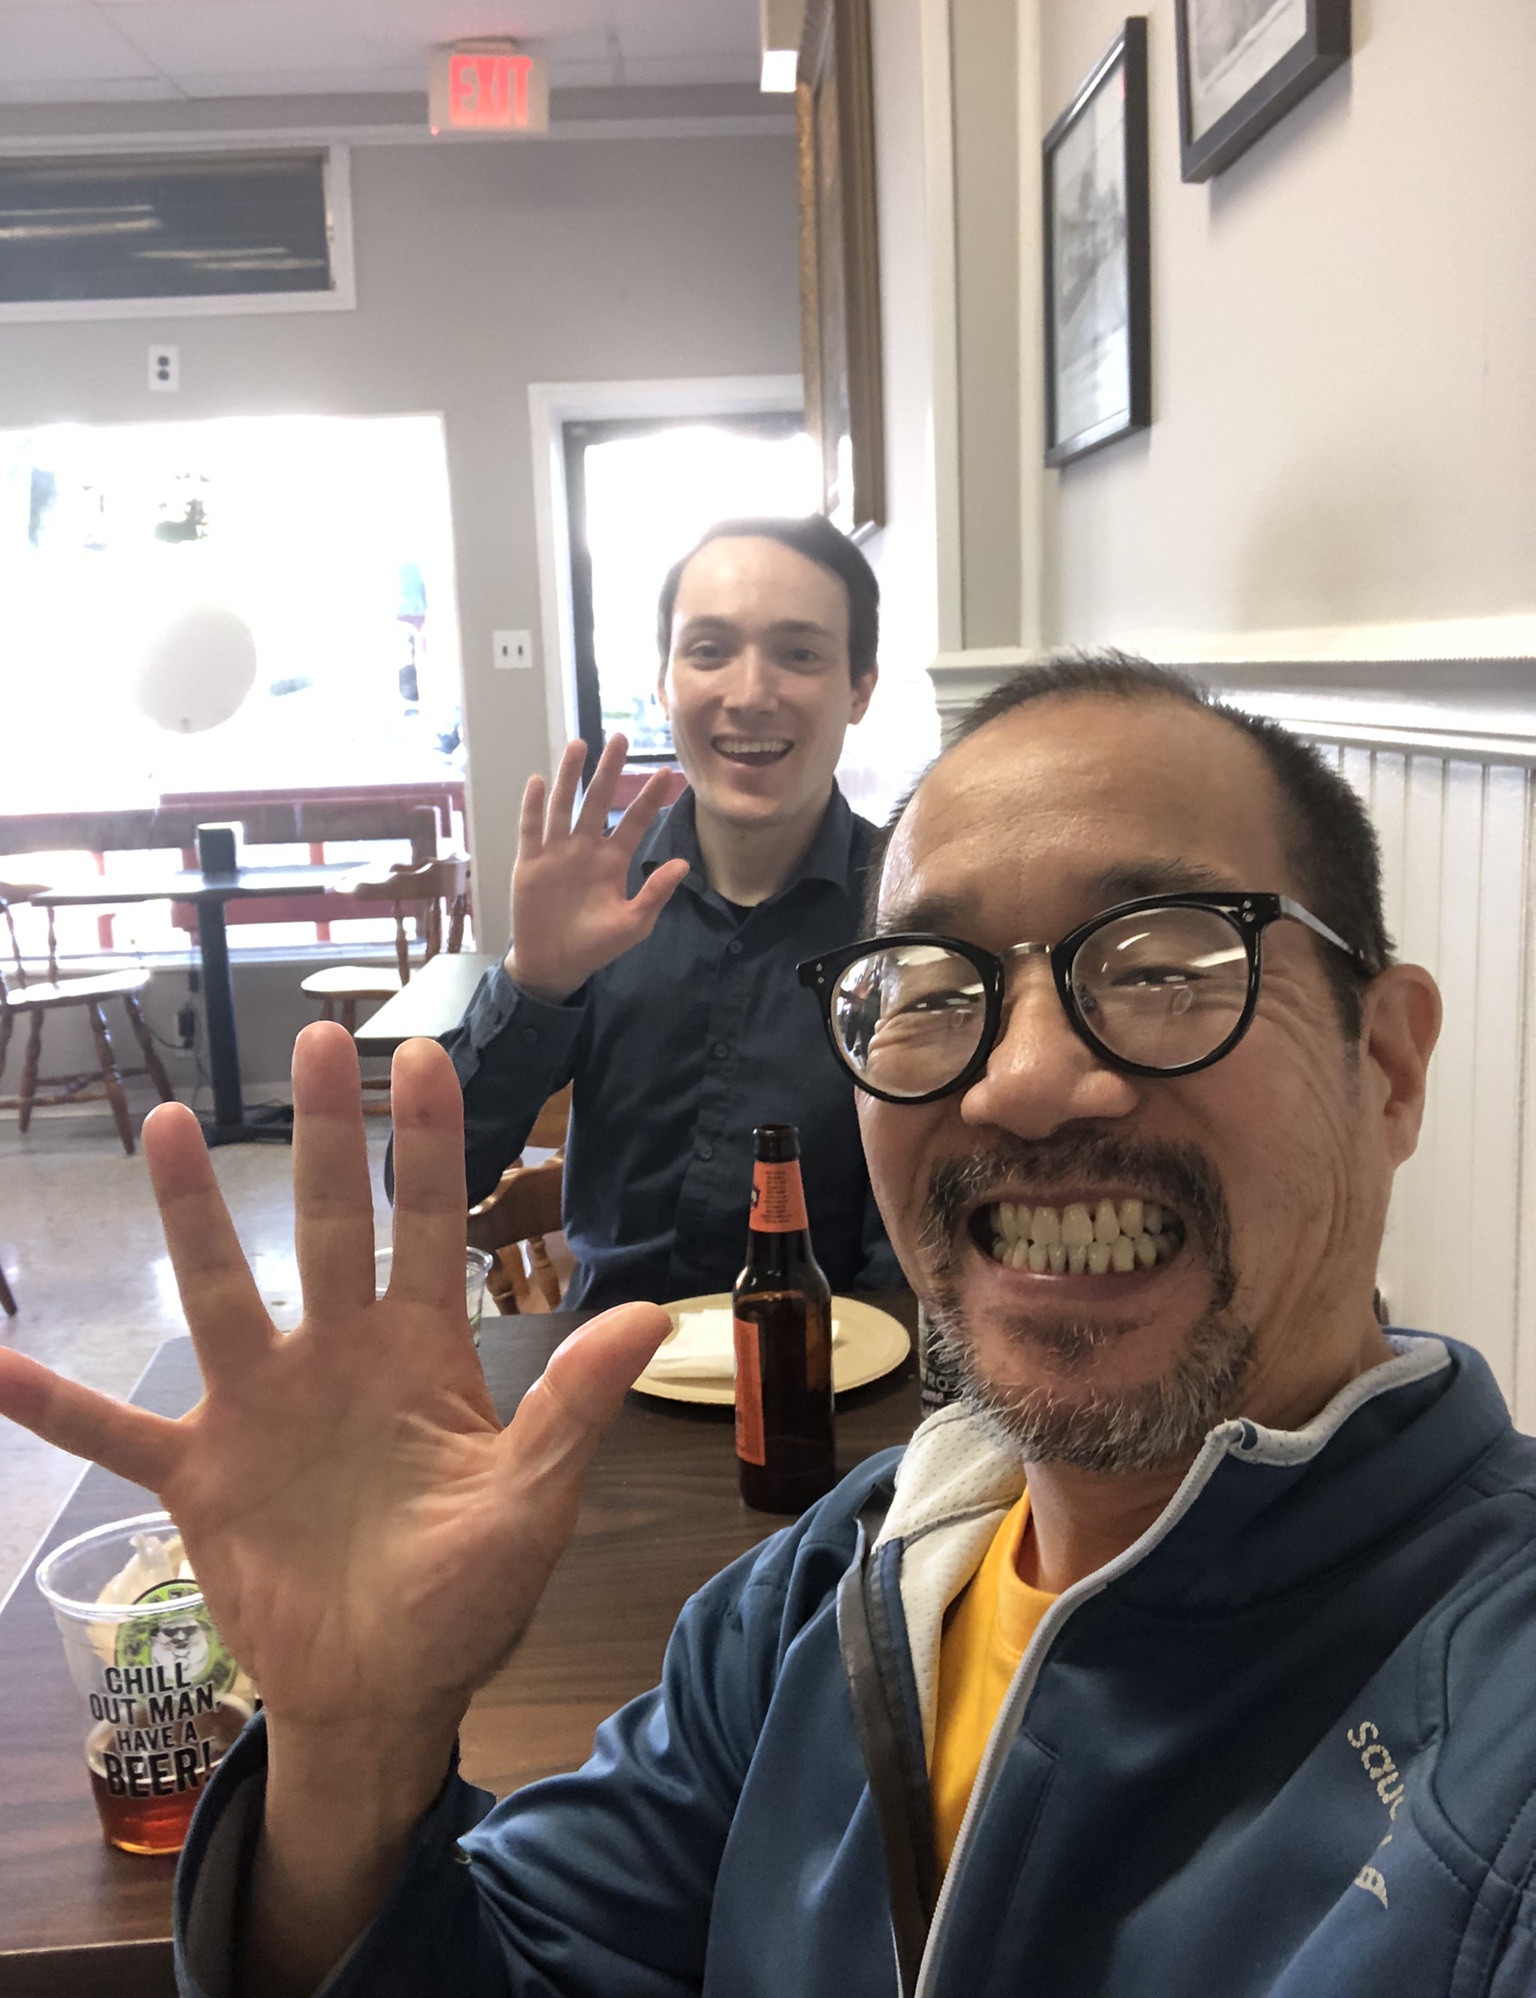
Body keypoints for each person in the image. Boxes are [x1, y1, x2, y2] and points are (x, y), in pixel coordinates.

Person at [11, 653, 1536, 1998]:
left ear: (1388, 1066)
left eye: (1156, 966)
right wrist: (350, 1762)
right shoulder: (826, 1589)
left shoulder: (1496, 1741)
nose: (1019, 1079)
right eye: (932, 990)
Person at [440, 512, 901, 1306]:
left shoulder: (910, 913)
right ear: (663, 683)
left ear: (859, 689)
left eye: (799, 654)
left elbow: (922, 1236)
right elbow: (429, 1183)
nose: (750, 695)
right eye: (710, 650)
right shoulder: (597, 901)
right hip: (610, 1362)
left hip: (838, 1363)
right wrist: (532, 984)